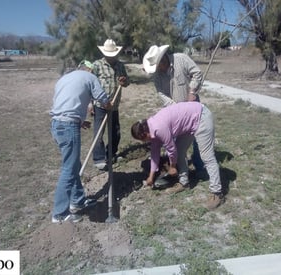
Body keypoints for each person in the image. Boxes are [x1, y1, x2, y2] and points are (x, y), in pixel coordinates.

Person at [49, 60, 112, 223]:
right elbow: (102, 98)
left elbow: (64, 103)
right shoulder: (89, 77)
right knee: (69, 170)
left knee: (73, 165)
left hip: (57, 125)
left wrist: (79, 120)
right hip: (68, 126)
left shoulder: (64, 78)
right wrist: (109, 105)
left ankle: (78, 201)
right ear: (90, 70)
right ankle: (59, 214)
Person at [131, 101, 224, 209]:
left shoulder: (158, 128)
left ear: (144, 134)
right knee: (180, 151)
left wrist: (173, 167)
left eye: (141, 140)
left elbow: (171, 149)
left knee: (207, 157)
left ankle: (217, 194)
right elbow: (155, 153)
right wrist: (151, 177)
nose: (143, 142)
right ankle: (184, 183)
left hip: (201, 116)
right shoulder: (151, 130)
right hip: (189, 122)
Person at [142, 44, 204, 172]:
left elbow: (197, 73)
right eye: (157, 66)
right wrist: (176, 110)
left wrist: (192, 91)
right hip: (176, 116)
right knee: (177, 144)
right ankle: (181, 171)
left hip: (193, 110)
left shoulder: (181, 59)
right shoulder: (157, 77)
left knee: (198, 140)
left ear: (164, 57)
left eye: (161, 63)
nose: (160, 67)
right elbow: (162, 94)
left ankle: (200, 167)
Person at [92, 39, 130, 170]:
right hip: (100, 105)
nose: (112, 56)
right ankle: (99, 158)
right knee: (99, 132)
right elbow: (90, 85)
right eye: (109, 54)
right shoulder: (97, 65)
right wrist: (90, 104)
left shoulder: (120, 66)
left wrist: (124, 81)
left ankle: (111, 154)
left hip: (114, 105)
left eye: (114, 54)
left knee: (115, 132)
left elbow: (127, 82)